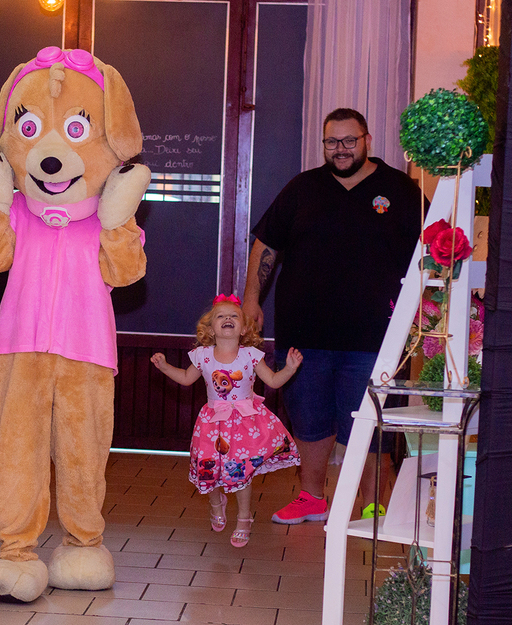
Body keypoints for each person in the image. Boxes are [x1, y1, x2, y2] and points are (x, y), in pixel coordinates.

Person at [242, 108, 422, 525]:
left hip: (375, 337)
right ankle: (311, 497)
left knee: (370, 425)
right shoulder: (303, 188)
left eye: (348, 141)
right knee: (309, 421)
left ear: (367, 140)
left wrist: (426, 312)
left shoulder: (400, 189)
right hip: (305, 336)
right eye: (331, 142)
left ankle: (374, 504)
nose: (340, 150)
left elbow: (430, 251)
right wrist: (252, 299)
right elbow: (265, 245)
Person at [151, 294, 302, 546]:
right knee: (209, 467)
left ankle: (244, 518)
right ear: (211, 328)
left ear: (243, 328)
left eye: (234, 316)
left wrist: (289, 368)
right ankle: (215, 502)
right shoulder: (202, 355)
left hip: (245, 424)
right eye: (221, 316)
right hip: (213, 424)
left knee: (240, 471)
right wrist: (165, 367)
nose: (228, 319)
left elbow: (273, 381)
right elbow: (187, 379)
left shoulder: (251, 355)